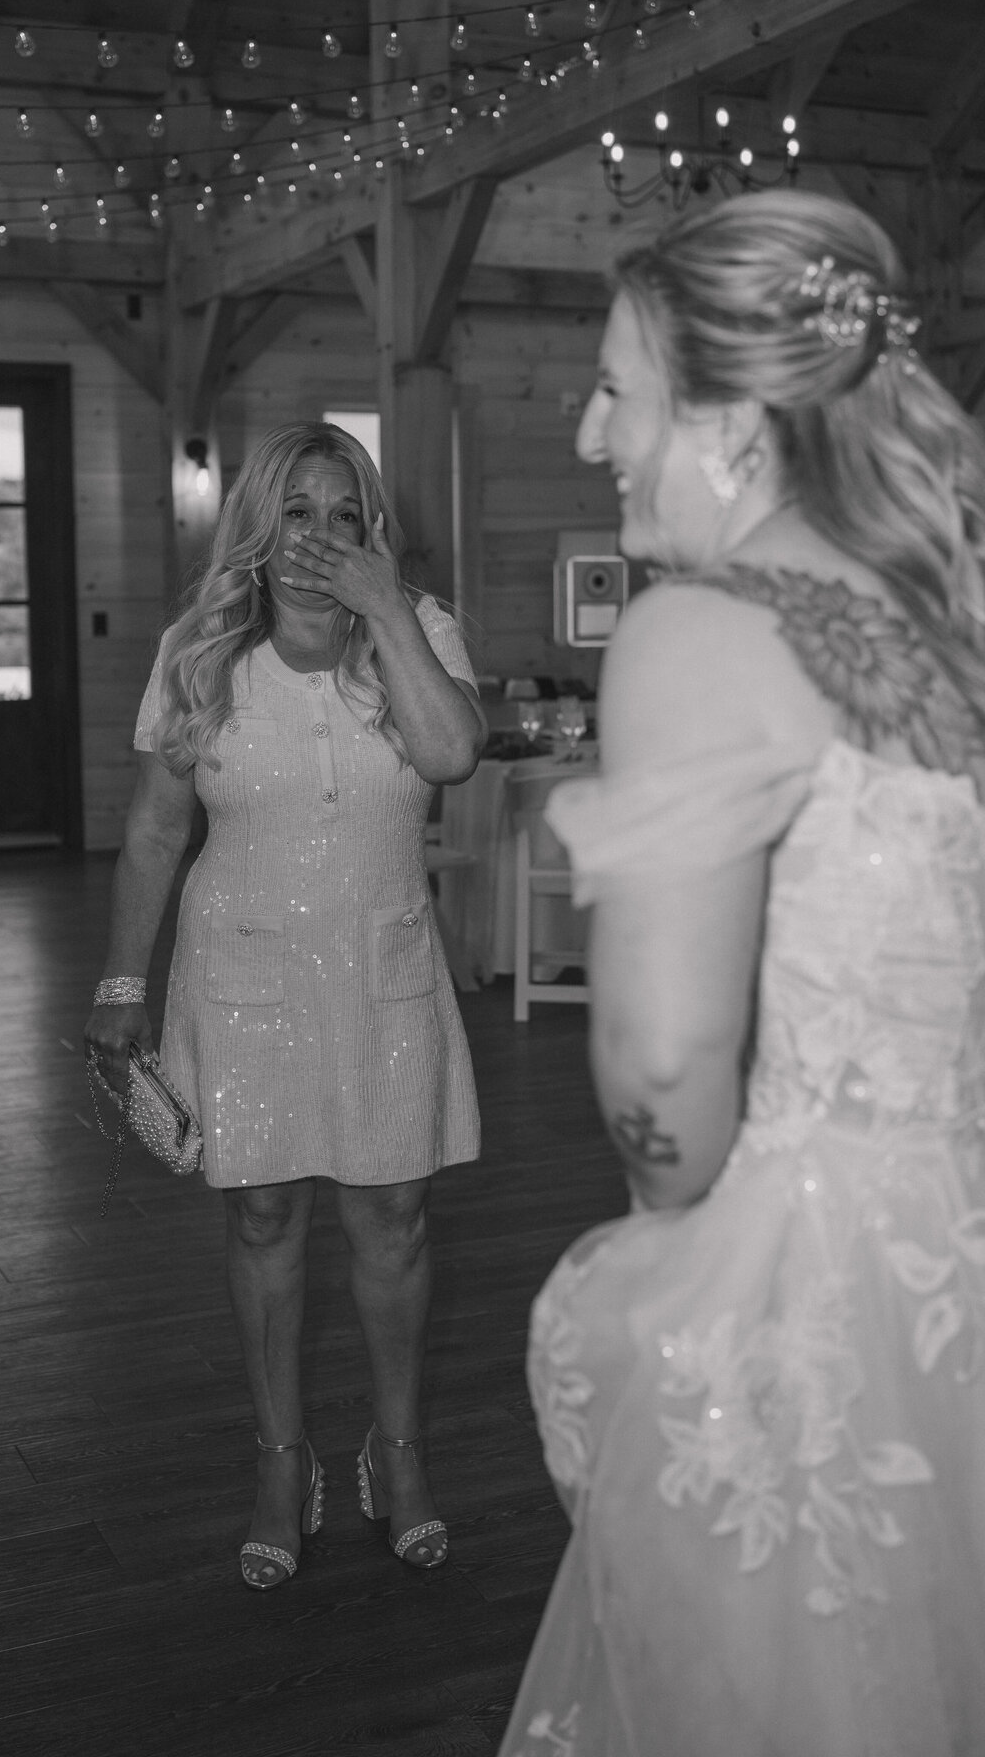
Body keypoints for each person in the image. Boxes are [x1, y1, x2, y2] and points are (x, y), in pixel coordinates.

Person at [499, 191, 985, 1756]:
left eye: (616, 394)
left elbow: (658, 1067)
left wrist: (679, 1261)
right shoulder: (957, 616)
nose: (589, 434)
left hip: (831, 1292)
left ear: (726, 418)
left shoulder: (703, 630)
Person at [85, 421, 485, 1591]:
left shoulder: (423, 632)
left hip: (385, 971)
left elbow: (453, 756)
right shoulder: (199, 650)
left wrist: (390, 610)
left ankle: (396, 1453)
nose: (319, 536)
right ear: (259, 526)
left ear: (371, 528)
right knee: (262, 1222)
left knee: (395, 1223)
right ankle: (280, 1459)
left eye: (343, 513)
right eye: (297, 512)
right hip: (241, 975)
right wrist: (120, 984)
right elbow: (157, 830)